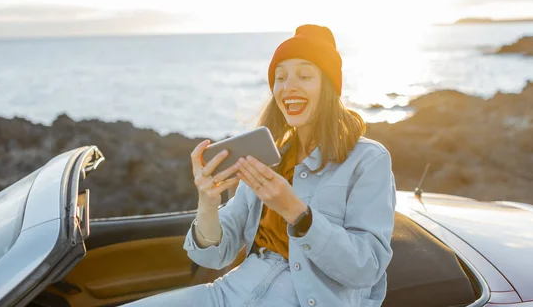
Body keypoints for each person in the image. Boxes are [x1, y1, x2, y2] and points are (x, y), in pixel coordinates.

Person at [128, 24, 396, 306]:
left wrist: (297, 212)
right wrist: (208, 202)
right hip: (230, 293)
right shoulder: (267, 158)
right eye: (280, 78)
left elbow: (367, 268)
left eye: (305, 75)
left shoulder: (368, 160)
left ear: (328, 86)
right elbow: (213, 255)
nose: (288, 87)